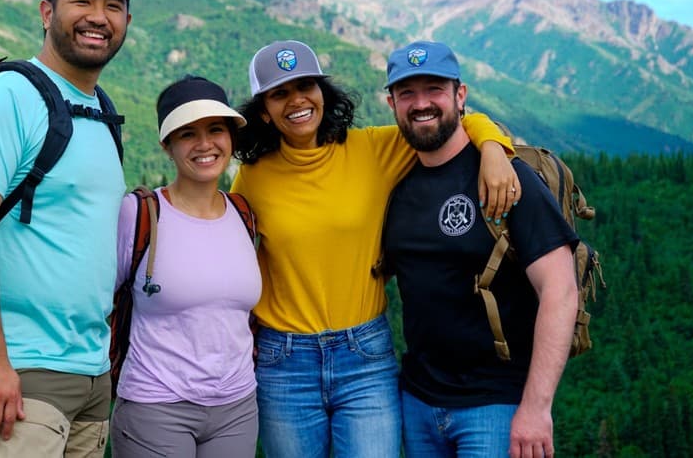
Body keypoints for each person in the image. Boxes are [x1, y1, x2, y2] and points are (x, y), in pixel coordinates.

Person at [230, 39, 519, 458]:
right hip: (284, 361)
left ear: (322, 93)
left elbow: (449, 122)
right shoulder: (253, 178)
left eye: (305, 86)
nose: (297, 101)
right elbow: (231, 257)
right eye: (279, 93)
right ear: (263, 111)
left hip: (363, 358)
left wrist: (494, 149)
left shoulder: (373, 149)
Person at [0, 0, 132, 457]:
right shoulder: (7, 96)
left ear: (127, 23)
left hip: (90, 371)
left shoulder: (101, 110)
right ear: (47, 13)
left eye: (113, 5)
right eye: (82, 1)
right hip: (20, 373)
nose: (99, 16)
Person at [380, 40, 579, 458]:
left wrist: (536, 407)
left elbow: (560, 291)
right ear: (392, 103)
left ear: (460, 95)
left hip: (496, 406)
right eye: (407, 94)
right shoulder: (393, 180)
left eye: (434, 89)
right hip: (416, 402)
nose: (421, 104)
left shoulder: (508, 179)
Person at [109, 75, 262, 457]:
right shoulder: (141, 214)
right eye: (187, 134)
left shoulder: (243, 214)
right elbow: (95, 300)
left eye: (215, 130)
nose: (205, 144)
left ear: (231, 137)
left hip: (237, 407)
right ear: (167, 145)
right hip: (155, 405)